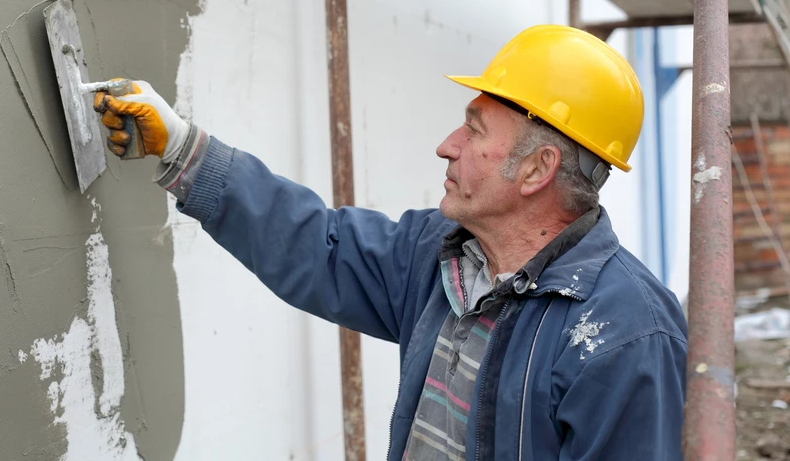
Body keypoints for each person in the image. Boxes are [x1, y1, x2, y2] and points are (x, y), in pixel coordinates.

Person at [93, 25, 688, 460]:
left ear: (537, 170)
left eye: (474, 129)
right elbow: (317, 245)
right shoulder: (440, 256)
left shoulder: (625, 334)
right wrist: (179, 146)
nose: (446, 144)